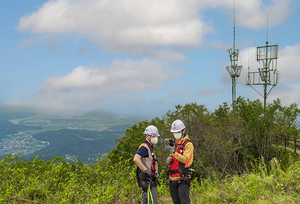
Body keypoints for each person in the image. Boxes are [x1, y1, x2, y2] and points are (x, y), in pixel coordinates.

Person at [165, 119, 194, 204]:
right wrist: (169, 159)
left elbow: (185, 159)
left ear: (183, 131)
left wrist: (173, 153)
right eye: (174, 132)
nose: (175, 134)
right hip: (172, 178)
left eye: (177, 132)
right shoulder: (174, 144)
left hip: (183, 178)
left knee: (184, 202)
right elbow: (174, 157)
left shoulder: (188, 144)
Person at [134, 125, 160, 204]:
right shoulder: (144, 147)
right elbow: (136, 159)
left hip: (147, 178)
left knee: (145, 200)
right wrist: (146, 170)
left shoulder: (149, 146)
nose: (155, 138)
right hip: (147, 178)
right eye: (154, 136)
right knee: (152, 201)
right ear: (148, 136)